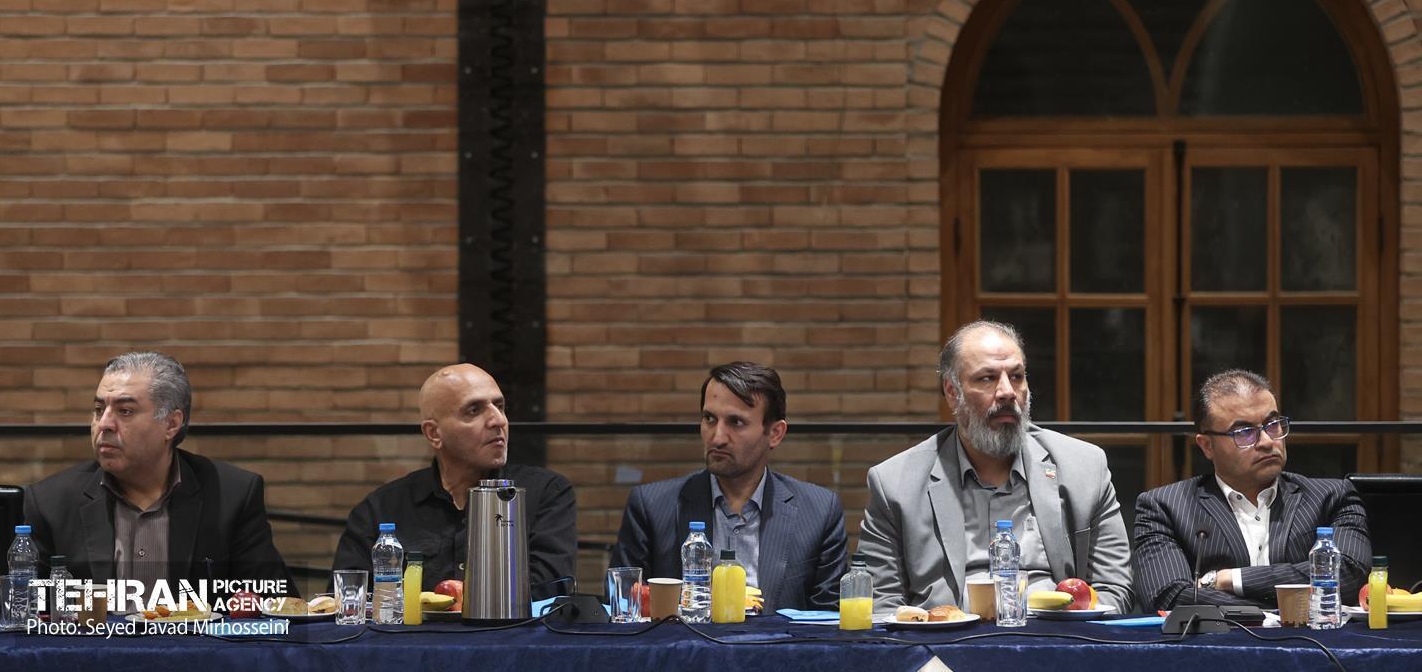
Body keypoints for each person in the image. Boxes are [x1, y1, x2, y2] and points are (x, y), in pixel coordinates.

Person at [858, 321, 1135, 614]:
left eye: (1016, 376)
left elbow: (1114, 590)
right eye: (987, 378)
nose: (1007, 392)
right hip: (943, 639)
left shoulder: (1084, 469)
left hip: (1056, 637)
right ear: (952, 391)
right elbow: (880, 604)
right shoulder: (895, 484)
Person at [24, 352, 294, 602]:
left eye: (125, 411)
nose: (104, 424)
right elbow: (28, 613)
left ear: (171, 424)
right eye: (98, 410)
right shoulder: (51, 503)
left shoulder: (232, 496)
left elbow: (273, 606)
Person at [610, 361, 849, 612]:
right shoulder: (651, 506)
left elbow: (829, 621)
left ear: (775, 433)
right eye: (709, 419)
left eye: (736, 422)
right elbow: (623, 607)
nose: (717, 437)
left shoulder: (819, 512)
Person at [1132, 369, 1371, 611]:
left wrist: (1229, 580)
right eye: (1244, 432)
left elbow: (1349, 574)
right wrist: (1267, 610)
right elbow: (1168, 596)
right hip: (1221, 637)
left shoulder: (1332, 497)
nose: (1267, 442)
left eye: (1273, 425)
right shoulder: (1165, 508)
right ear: (1207, 446)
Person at [333, 363, 576, 593]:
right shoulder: (380, 509)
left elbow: (551, 590)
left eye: (500, 406)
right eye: (474, 410)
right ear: (434, 433)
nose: (498, 420)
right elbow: (348, 599)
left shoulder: (545, 493)